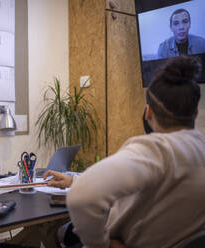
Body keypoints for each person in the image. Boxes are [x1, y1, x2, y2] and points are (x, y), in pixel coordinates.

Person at [44, 56, 205, 248]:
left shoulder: (156, 150)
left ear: (148, 113)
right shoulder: (198, 149)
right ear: (195, 113)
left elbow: (81, 197)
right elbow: (154, 189)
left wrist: (102, 245)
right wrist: (73, 180)